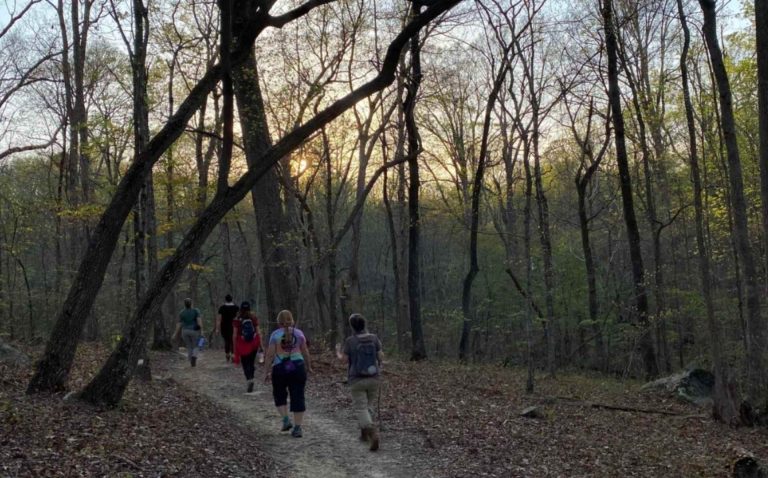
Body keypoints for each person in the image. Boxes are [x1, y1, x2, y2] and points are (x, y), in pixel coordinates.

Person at [336, 313, 383, 451]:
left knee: (361, 407)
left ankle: (371, 431)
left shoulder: (351, 341)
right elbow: (381, 356)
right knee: (368, 405)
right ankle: (364, 433)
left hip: (356, 379)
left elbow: (343, 360)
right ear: (364, 324)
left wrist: (338, 352)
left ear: (352, 326)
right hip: (374, 377)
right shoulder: (374, 338)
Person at [263, 310, 312, 438]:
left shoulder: (275, 335)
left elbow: (270, 355)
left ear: (278, 322)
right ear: (292, 320)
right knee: (298, 395)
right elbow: (305, 352)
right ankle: (297, 428)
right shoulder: (299, 333)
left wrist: (266, 371)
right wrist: (309, 366)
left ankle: (285, 420)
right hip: (298, 367)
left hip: (280, 367)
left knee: (279, 394)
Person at [233, 301, 261, 393]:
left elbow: (235, 334)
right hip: (253, 343)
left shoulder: (237, 319)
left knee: (245, 363)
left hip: (242, 344)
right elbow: (258, 332)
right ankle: (252, 379)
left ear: (241, 309)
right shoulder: (253, 318)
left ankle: (249, 380)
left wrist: (234, 346)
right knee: (251, 362)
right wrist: (261, 345)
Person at [173, 298, 203, 367]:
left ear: (184, 304)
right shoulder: (196, 311)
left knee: (189, 346)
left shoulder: (181, 312)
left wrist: (175, 334)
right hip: (194, 330)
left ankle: (190, 359)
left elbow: (179, 324)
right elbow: (199, 321)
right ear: (191, 303)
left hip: (185, 331)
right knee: (196, 345)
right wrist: (201, 331)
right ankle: (194, 356)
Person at [215, 294, 239, 362]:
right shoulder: (236, 307)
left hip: (224, 326)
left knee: (227, 340)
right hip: (234, 326)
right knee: (233, 341)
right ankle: (233, 355)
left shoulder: (222, 308)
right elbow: (238, 318)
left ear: (225, 299)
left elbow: (219, 319)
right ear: (232, 299)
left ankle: (227, 354)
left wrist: (217, 328)